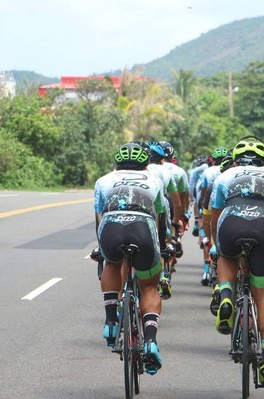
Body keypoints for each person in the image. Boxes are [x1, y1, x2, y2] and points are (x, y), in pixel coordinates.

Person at [209, 136, 264, 387]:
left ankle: (226, 297)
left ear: (235, 160)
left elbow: (214, 219)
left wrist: (216, 244)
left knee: (226, 255)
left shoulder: (224, 177)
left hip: (230, 224)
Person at [93, 142, 168, 375]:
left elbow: (99, 216)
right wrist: (162, 248)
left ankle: (110, 322)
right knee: (149, 286)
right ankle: (151, 341)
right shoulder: (154, 179)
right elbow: (161, 218)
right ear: (146, 164)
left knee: (112, 263)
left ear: (116, 164)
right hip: (142, 229)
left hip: (111, 229)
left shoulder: (103, 181)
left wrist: (101, 249)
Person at [147, 141, 181, 300]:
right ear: (163, 159)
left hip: (139, 211)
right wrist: (175, 224)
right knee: (162, 243)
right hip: (162, 208)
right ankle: (162, 277)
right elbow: (177, 202)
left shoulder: (142, 170)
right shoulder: (166, 171)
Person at [198, 146, 229, 285]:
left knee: (208, 237)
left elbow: (200, 192)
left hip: (210, 202)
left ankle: (206, 269)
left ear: (212, 160)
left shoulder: (207, 171)